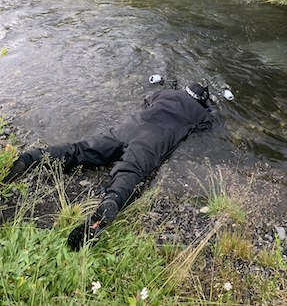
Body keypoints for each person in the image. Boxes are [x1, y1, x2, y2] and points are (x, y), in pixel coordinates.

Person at [4, 82, 213, 250]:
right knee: (131, 170)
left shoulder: (166, 93)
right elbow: (206, 127)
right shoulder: (201, 113)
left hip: (129, 127)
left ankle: (30, 158)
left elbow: (147, 100)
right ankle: (110, 202)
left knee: (81, 149)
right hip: (153, 140)